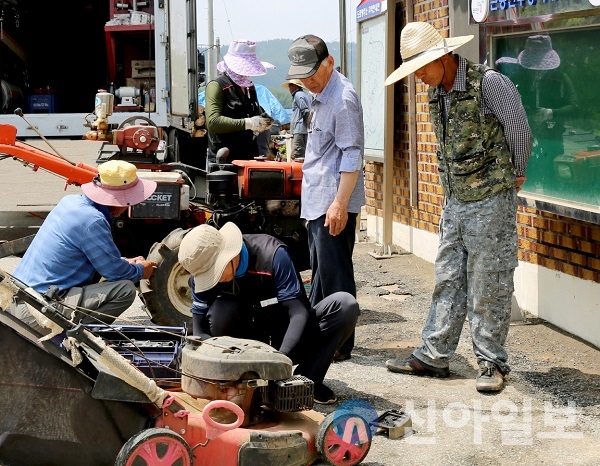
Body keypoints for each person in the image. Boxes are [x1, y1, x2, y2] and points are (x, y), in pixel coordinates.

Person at [383, 22, 532, 392]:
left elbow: (520, 132)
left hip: (491, 199)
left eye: (422, 68)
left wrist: (515, 175)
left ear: (444, 57)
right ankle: (434, 355)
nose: (419, 77)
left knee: (489, 281)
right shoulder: (437, 92)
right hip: (455, 201)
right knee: (448, 276)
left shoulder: (489, 83)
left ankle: (491, 362)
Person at [178, 222, 359, 404]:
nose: (212, 279)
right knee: (222, 311)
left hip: (284, 336)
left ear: (228, 255)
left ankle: (305, 382)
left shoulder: (273, 255)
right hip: (242, 350)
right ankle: (241, 383)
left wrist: (278, 362)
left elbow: (298, 313)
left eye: (214, 271)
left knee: (345, 305)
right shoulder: (201, 274)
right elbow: (200, 332)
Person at [285, 34, 365, 362]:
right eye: (302, 77)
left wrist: (339, 204)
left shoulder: (342, 98)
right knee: (320, 273)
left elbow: (352, 153)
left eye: (312, 75)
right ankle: (321, 334)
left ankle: (339, 344)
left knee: (335, 276)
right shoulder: (319, 94)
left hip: (333, 202)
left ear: (329, 62)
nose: (308, 82)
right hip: (319, 201)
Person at [9, 160, 158, 332]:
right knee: (125, 289)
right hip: (37, 311)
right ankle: (76, 339)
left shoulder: (70, 202)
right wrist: (141, 270)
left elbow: (99, 257)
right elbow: (115, 273)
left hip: (20, 296)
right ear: (118, 201)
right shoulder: (92, 221)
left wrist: (127, 262)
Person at [498, 35, 577, 187]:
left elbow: (575, 107)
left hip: (552, 140)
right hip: (524, 142)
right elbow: (504, 106)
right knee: (526, 183)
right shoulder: (517, 78)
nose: (536, 71)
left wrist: (551, 112)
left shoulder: (560, 78)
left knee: (552, 184)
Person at [205, 40, 274, 164]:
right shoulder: (217, 85)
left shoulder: (249, 87)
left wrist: (264, 121)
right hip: (224, 160)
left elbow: (256, 112)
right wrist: (247, 123)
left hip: (248, 157)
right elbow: (212, 122)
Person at [281, 79, 311, 159]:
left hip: (300, 130)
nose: (289, 88)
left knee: (297, 155)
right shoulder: (302, 94)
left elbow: (305, 110)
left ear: (295, 86)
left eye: (290, 85)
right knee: (301, 154)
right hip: (302, 130)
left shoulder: (298, 95)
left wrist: (308, 126)